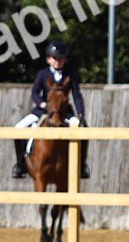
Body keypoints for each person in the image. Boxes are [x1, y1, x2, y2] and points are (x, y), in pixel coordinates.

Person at [11, 40, 89, 179]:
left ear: (65, 59)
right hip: (44, 111)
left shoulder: (69, 74)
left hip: (65, 113)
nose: (58, 61)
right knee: (18, 128)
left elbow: (76, 95)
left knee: (84, 129)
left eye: (61, 58)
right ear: (48, 59)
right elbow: (35, 93)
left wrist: (81, 114)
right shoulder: (42, 74)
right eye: (55, 58)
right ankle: (20, 165)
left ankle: (82, 165)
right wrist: (42, 104)